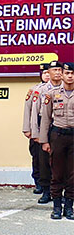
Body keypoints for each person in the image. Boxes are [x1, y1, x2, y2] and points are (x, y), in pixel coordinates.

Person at [39, 62, 74, 220]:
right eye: (67, 73)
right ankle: (57, 206)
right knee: (57, 172)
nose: (69, 76)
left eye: (72, 74)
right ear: (63, 75)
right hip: (57, 135)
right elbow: (45, 118)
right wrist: (44, 141)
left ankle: (69, 206)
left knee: (73, 174)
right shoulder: (52, 94)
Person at [32, 60, 64, 204]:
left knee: (61, 161)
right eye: (54, 70)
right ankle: (46, 191)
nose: (57, 73)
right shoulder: (41, 90)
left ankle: (60, 191)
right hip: (44, 126)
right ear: (48, 73)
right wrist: (35, 133)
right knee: (44, 160)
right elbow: (34, 112)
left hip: (61, 127)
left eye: (59, 70)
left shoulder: (68, 89)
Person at [23, 64, 50, 195]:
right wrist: (27, 129)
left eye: (48, 72)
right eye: (44, 72)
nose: (46, 75)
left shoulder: (58, 89)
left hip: (52, 126)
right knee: (37, 156)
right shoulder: (34, 90)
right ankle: (39, 182)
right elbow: (27, 111)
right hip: (37, 127)